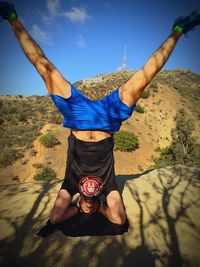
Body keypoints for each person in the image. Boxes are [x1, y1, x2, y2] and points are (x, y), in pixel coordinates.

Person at [1, 1, 200, 234]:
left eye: (86, 205)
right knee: (146, 76)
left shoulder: (70, 184)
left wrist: (78, 210)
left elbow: (55, 218)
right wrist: (99, 209)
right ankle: (178, 30)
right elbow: (118, 219)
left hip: (77, 116)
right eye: (90, 206)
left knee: (44, 68)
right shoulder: (108, 187)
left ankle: (12, 16)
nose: (89, 205)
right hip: (108, 118)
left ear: (79, 202)